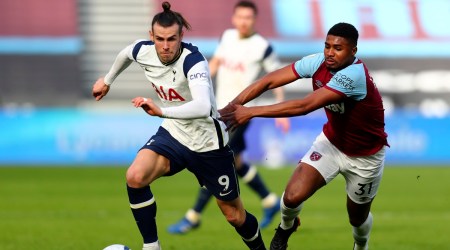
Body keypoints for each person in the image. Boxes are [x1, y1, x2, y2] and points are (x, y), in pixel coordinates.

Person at [91, 2, 266, 250]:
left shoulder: (193, 61)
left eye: (171, 39)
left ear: (181, 36)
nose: (165, 46)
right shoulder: (144, 50)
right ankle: (152, 246)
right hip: (174, 135)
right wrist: (107, 81)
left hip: (208, 143)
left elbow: (204, 106)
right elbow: (127, 53)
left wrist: (162, 111)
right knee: (135, 176)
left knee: (234, 216)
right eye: (160, 39)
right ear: (151, 36)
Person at [219, 22, 389, 250]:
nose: (330, 52)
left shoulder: (354, 76)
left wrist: (250, 112)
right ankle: (285, 228)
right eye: (327, 46)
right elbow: (269, 80)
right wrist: (234, 105)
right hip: (332, 143)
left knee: (357, 219)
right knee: (291, 197)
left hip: (365, 157)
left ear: (353, 51)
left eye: (338, 48)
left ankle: (361, 244)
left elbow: (304, 106)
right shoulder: (319, 61)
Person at [168, 0, 290, 234]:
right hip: (218, 110)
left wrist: (281, 111)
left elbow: (277, 78)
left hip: (239, 113)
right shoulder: (227, 37)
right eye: (240, 17)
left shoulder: (263, 47)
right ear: (234, 18)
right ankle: (270, 201)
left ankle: (193, 216)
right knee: (236, 161)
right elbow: (215, 63)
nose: (244, 22)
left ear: (254, 20)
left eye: (248, 18)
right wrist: (195, 85)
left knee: (213, 159)